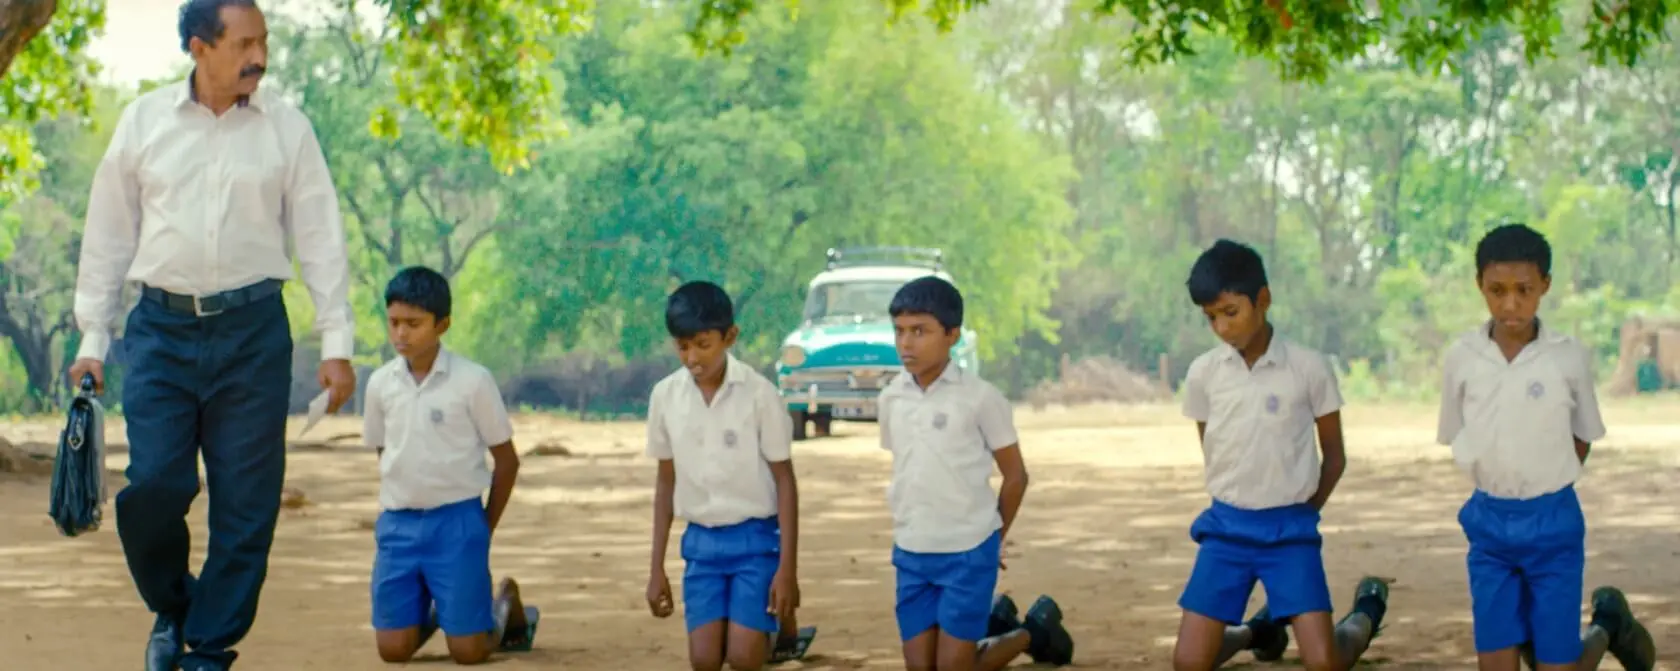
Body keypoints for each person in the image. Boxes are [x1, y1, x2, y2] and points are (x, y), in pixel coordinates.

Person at [68, 1, 356, 668]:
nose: (260, 57)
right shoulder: (144, 122)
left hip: (254, 335)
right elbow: (108, 234)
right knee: (153, 487)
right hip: (160, 332)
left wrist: (337, 341)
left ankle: (209, 645)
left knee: (247, 504)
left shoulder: (287, 128)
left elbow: (320, 234)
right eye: (244, 44)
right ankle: (173, 605)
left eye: (264, 42)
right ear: (199, 47)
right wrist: (92, 338)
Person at [1437, 224, 1657, 671]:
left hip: (1553, 523)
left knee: (1555, 666)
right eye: (1497, 290)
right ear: (1479, 284)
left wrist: (1546, 481)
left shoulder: (1567, 356)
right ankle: (1533, 631)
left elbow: (1582, 436)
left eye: (1524, 290)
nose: (1510, 304)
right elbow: (1457, 431)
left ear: (1545, 286)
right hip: (1489, 526)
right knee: (1496, 663)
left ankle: (1606, 626)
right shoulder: (1462, 357)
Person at [1172, 239, 1389, 671]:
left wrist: (1304, 512)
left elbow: (1335, 457)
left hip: (1290, 533)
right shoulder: (1203, 374)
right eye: (1211, 317)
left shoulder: (1308, 368)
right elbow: (1214, 450)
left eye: (1231, 312)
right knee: (1188, 663)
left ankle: (1365, 615)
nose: (1222, 327)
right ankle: (1255, 631)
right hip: (1226, 531)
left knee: (1323, 663)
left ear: (1263, 300)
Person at [877, 276, 1075, 671]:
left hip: (968, 551)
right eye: (899, 331)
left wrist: (993, 538)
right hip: (912, 551)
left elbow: (1016, 476)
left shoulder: (980, 398)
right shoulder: (891, 399)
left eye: (920, 331)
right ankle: (1001, 622)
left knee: (953, 667)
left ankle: (1030, 634)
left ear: (952, 335)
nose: (906, 343)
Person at [360, 267, 535, 664]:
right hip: (398, 525)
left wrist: (483, 526)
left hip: (458, 522)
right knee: (393, 651)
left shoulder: (472, 381)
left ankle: (504, 605)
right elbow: (385, 451)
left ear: (443, 324)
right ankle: (445, 608)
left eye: (414, 324)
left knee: (468, 653)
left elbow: (507, 461)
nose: (401, 334)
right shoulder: (380, 384)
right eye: (394, 322)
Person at [644, 281, 817, 671]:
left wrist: (787, 570)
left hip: (755, 541)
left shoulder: (760, 395)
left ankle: (778, 626)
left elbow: (785, 481)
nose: (692, 358)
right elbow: (665, 482)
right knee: (705, 660)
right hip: (701, 545)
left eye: (703, 344)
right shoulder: (665, 397)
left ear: (730, 337)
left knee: (742, 658)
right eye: (682, 347)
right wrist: (656, 569)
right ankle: (763, 624)